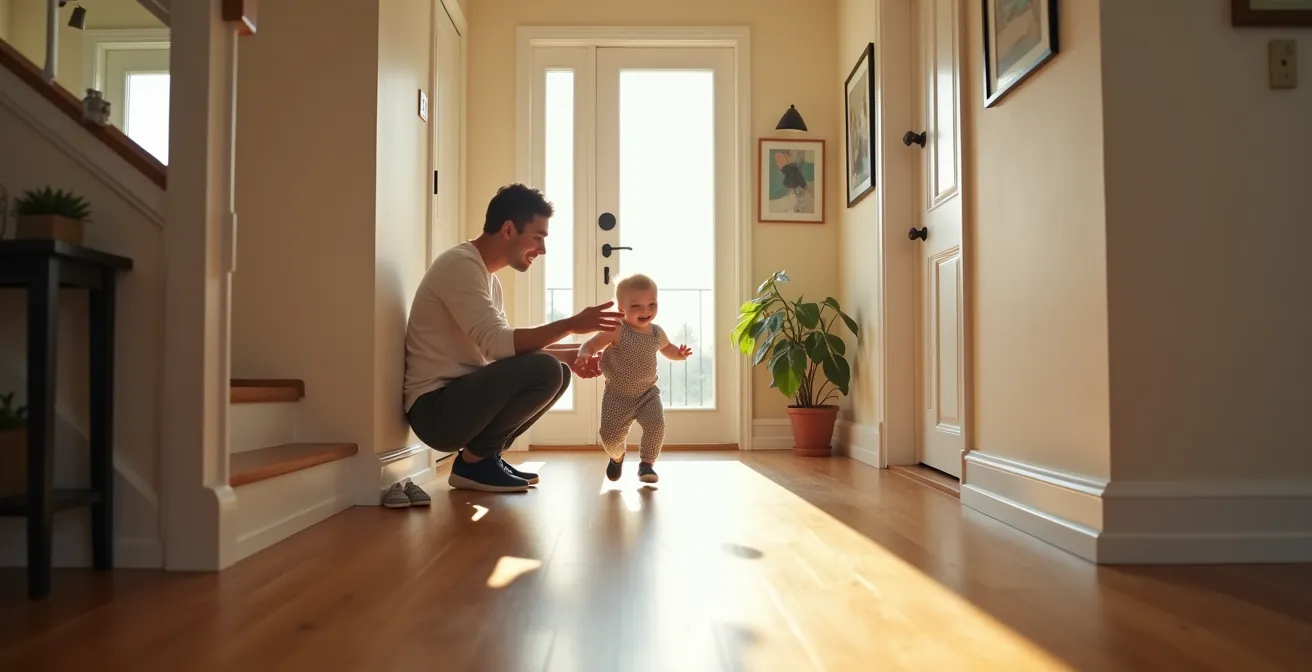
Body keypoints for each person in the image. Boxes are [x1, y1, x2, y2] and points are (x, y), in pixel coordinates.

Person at [404, 183, 623, 492]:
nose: (543, 250)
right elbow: (498, 344)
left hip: (459, 402)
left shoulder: (489, 281)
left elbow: (502, 353)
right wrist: (572, 324)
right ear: (508, 230)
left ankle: (483, 458)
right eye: (538, 237)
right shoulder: (460, 266)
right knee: (546, 370)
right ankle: (474, 463)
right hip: (435, 411)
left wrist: (572, 355)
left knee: (557, 371)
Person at [574, 273, 692, 484]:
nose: (646, 311)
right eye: (637, 306)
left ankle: (646, 464)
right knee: (609, 436)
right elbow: (591, 344)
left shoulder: (657, 333)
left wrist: (679, 355)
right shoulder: (617, 329)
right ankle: (617, 457)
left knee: (657, 426)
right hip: (617, 396)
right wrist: (584, 354)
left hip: (647, 394)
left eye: (652, 304)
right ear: (621, 308)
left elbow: (668, 349)